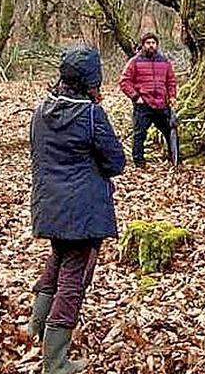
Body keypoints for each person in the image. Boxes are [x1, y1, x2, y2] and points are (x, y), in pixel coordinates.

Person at [27, 46, 125, 373]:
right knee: (74, 277)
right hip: (82, 208)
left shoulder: (41, 111)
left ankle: (35, 328)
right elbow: (115, 161)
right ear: (90, 80)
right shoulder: (91, 114)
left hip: (49, 204)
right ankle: (54, 362)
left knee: (59, 258)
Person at [119, 32, 177, 167]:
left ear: (157, 45)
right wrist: (135, 97)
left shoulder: (164, 62)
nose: (151, 46)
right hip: (143, 104)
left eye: (153, 43)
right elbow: (124, 82)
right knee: (139, 134)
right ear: (143, 45)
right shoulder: (135, 61)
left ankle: (174, 159)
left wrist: (172, 96)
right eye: (148, 43)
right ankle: (139, 162)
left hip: (162, 104)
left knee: (170, 131)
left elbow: (171, 81)